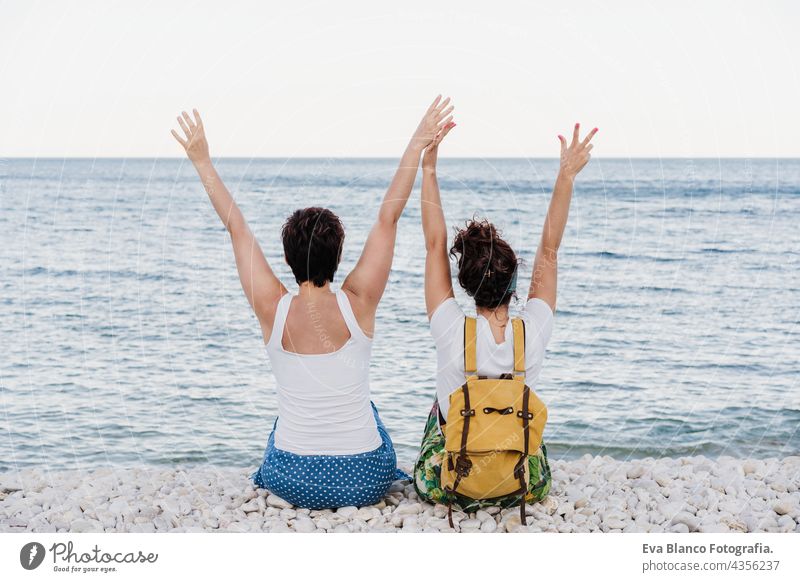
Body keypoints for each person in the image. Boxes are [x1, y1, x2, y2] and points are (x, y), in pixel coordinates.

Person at [170, 96, 454, 509]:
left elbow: (236, 227)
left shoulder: (272, 307)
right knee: (368, 411)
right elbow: (387, 218)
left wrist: (202, 160)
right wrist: (418, 143)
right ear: (340, 257)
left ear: (286, 258)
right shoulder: (359, 302)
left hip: (291, 478)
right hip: (365, 479)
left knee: (285, 423)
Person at [413, 120, 597, 514]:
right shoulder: (533, 329)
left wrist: (428, 167)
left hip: (452, 486)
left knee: (440, 404)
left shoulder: (450, 328)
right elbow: (549, 250)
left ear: (463, 285)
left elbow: (434, 246)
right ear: (515, 283)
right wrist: (566, 176)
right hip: (521, 486)